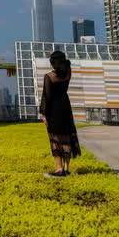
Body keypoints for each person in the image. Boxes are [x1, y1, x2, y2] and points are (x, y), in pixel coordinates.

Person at [38, 49, 81, 178]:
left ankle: (59, 168)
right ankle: (67, 169)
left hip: (54, 110)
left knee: (55, 139)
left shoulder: (49, 77)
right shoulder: (68, 73)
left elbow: (47, 97)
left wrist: (44, 114)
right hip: (65, 107)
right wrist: (57, 56)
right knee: (67, 137)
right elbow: (66, 64)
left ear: (53, 63)